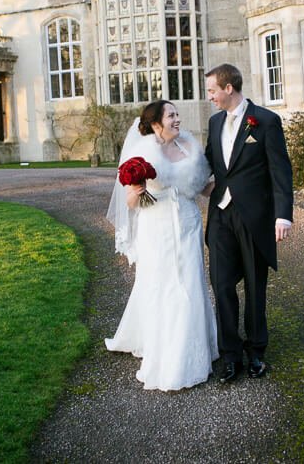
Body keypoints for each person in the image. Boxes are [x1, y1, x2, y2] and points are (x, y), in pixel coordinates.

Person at [105, 100, 218, 391]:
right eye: (171, 116)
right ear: (156, 124)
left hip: (188, 222)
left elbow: (202, 186)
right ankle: (167, 353)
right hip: (157, 226)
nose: (178, 119)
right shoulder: (143, 152)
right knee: (163, 285)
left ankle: (194, 349)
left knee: (190, 281)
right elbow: (130, 202)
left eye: (177, 114)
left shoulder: (189, 147)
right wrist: (138, 191)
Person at [203, 63, 293, 384]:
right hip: (220, 217)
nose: (209, 96)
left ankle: (256, 351)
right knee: (222, 285)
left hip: (255, 219)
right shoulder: (214, 124)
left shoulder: (265, 121)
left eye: (212, 90)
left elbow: (280, 171)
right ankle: (230, 356)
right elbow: (206, 165)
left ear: (229, 88)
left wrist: (283, 215)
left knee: (256, 286)